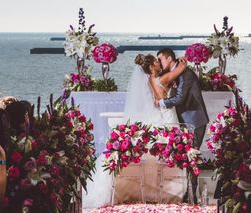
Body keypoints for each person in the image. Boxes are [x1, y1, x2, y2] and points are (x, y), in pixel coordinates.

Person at [83, 53, 187, 207]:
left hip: (161, 111)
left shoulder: (151, 80)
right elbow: (181, 69)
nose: (159, 63)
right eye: (157, 62)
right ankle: (172, 190)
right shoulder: (161, 79)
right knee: (176, 145)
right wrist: (181, 62)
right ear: (152, 67)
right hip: (167, 115)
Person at [156, 48, 209, 204]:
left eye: (160, 59)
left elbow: (179, 98)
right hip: (186, 120)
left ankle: (193, 194)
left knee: (192, 157)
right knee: (188, 158)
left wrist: (162, 103)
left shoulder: (185, 74)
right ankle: (189, 192)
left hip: (195, 120)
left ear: (169, 58)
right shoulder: (178, 72)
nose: (159, 63)